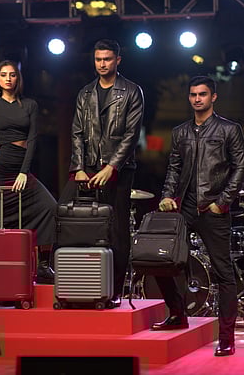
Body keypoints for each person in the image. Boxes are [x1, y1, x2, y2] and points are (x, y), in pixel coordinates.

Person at [152, 76, 244, 357]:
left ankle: (226, 338)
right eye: (193, 94)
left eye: (202, 94)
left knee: (223, 273)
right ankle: (177, 314)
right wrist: (167, 196)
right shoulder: (180, 132)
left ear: (213, 97)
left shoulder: (229, 129)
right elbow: (173, 168)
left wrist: (222, 202)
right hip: (184, 208)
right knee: (163, 261)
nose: (197, 99)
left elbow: (240, 168)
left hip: (213, 209)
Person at [58, 39, 144, 306]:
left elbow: (131, 135)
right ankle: (73, 283)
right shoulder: (85, 93)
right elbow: (76, 132)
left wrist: (112, 167)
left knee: (117, 229)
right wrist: (78, 168)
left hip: (119, 169)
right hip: (88, 167)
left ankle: (114, 290)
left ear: (118, 60)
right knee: (65, 215)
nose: (102, 64)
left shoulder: (132, 91)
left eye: (107, 59)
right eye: (98, 59)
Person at [0, 60, 57, 284]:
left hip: (21, 170)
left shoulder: (29, 105)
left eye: (12, 75)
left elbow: (33, 139)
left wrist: (24, 172)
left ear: (18, 78)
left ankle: (44, 265)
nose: (8, 78)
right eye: (3, 75)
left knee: (50, 208)